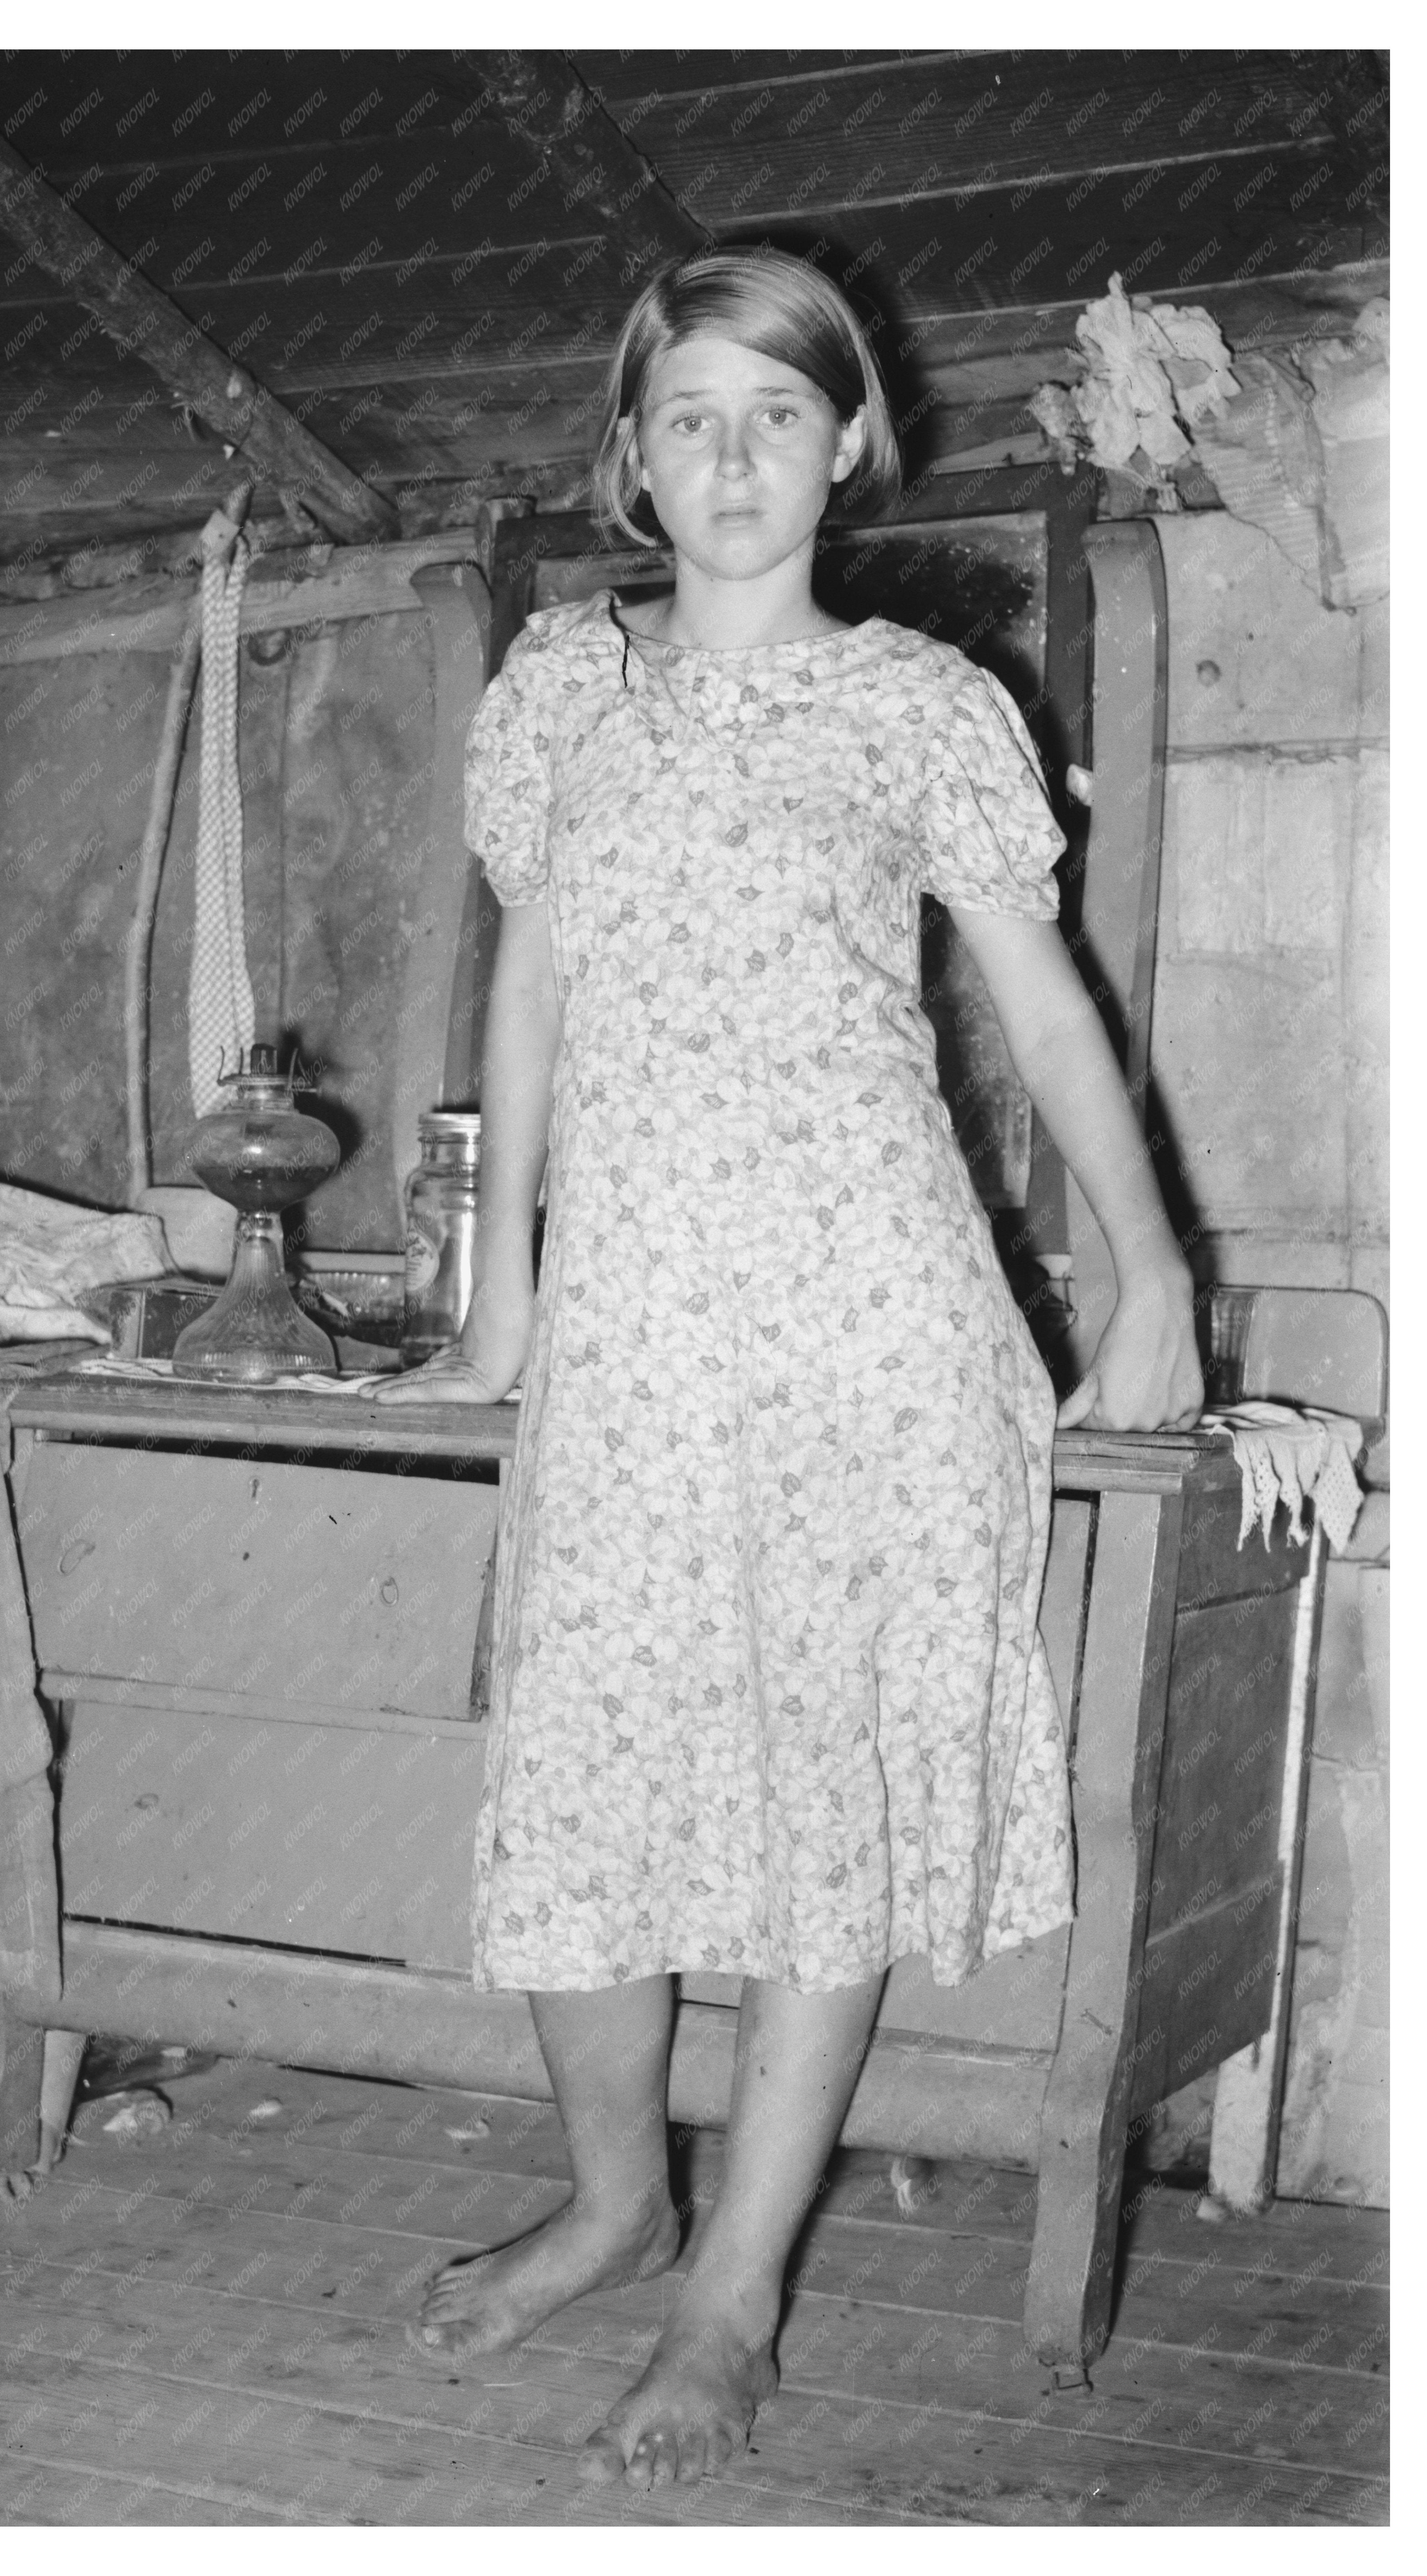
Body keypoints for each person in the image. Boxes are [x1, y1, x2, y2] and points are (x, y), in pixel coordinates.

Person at [373, 248, 1202, 2491]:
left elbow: (1044, 1015)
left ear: (852, 442)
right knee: (590, 1778)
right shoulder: (565, 688)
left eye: (775, 413)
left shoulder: (925, 705)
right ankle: (620, 2199)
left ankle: (733, 2294)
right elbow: (528, 997)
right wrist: (502, 1292)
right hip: (634, 1333)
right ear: (631, 458)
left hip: (872, 1330)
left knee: (814, 1804)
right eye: (688, 416)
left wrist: (1150, 1279)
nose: (731, 457)